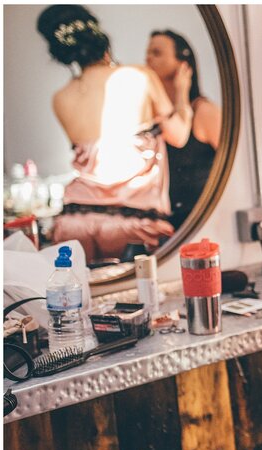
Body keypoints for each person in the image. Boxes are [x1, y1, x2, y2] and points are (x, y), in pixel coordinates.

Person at [37, 5, 192, 262]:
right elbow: (178, 135)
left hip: (74, 222)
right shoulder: (139, 75)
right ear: (102, 40)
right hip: (135, 222)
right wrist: (183, 94)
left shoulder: (60, 98)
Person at [146, 29, 221, 229]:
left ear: (182, 63)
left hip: (202, 221)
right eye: (148, 52)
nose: (148, 58)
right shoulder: (155, 115)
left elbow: (234, 166)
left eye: (157, 52)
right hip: (165, 223)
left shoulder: (204, 111)